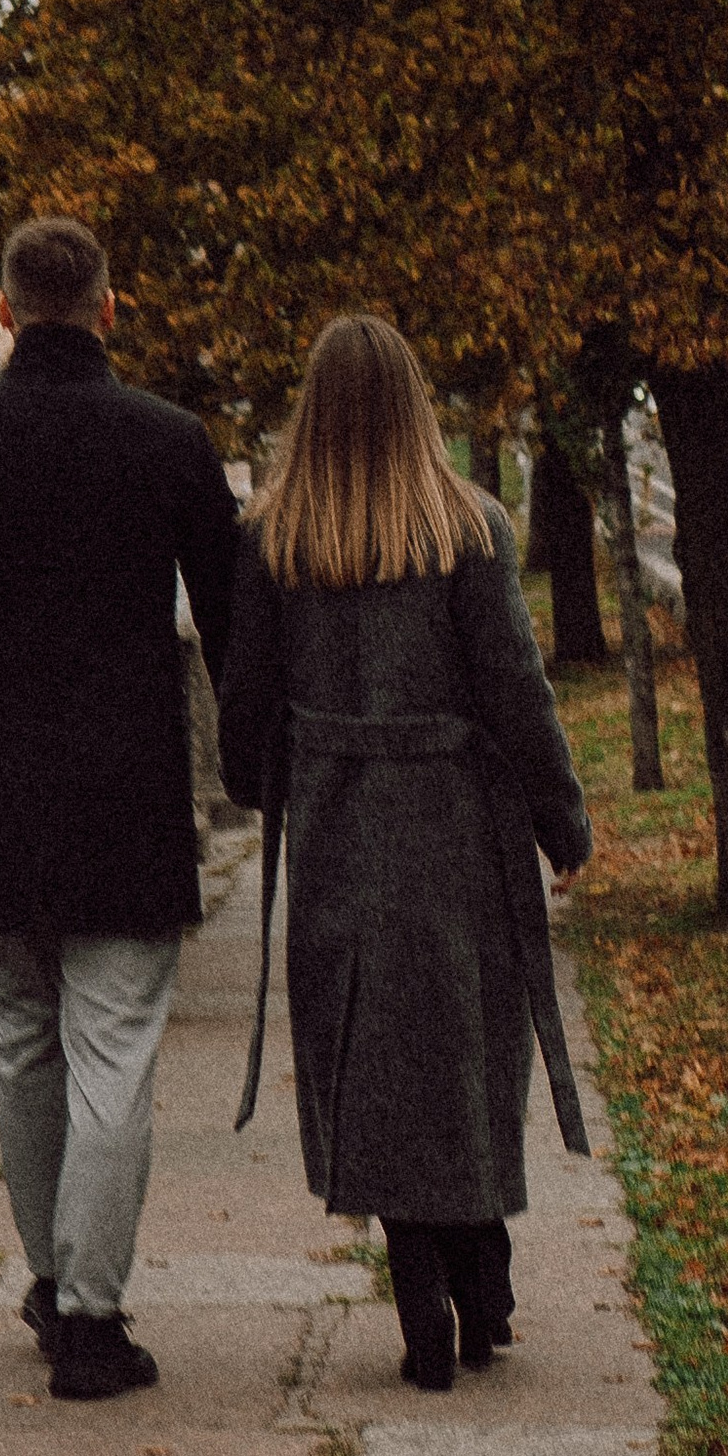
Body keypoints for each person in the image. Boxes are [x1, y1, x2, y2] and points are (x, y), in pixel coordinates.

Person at [0, 215, 240, 1403]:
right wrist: (252, 764)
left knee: (22, 1045)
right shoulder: (171, 442)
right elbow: (234, 627)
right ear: (109, 307)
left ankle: (50, 1282)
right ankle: (90, 1317)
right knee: (115, 1055)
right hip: (128, 798)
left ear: (0, 310)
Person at [217, 315, 593, 1393]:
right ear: (418, 403)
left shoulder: (272, 539)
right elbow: (516, 691)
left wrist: (263, 786)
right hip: (459, 827)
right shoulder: (467, 527)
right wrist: (559, 823)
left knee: (367, 1053)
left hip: (339, 825)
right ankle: (483, 1272)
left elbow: (244, 702)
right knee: (466, 1046)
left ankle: (419, 1284)